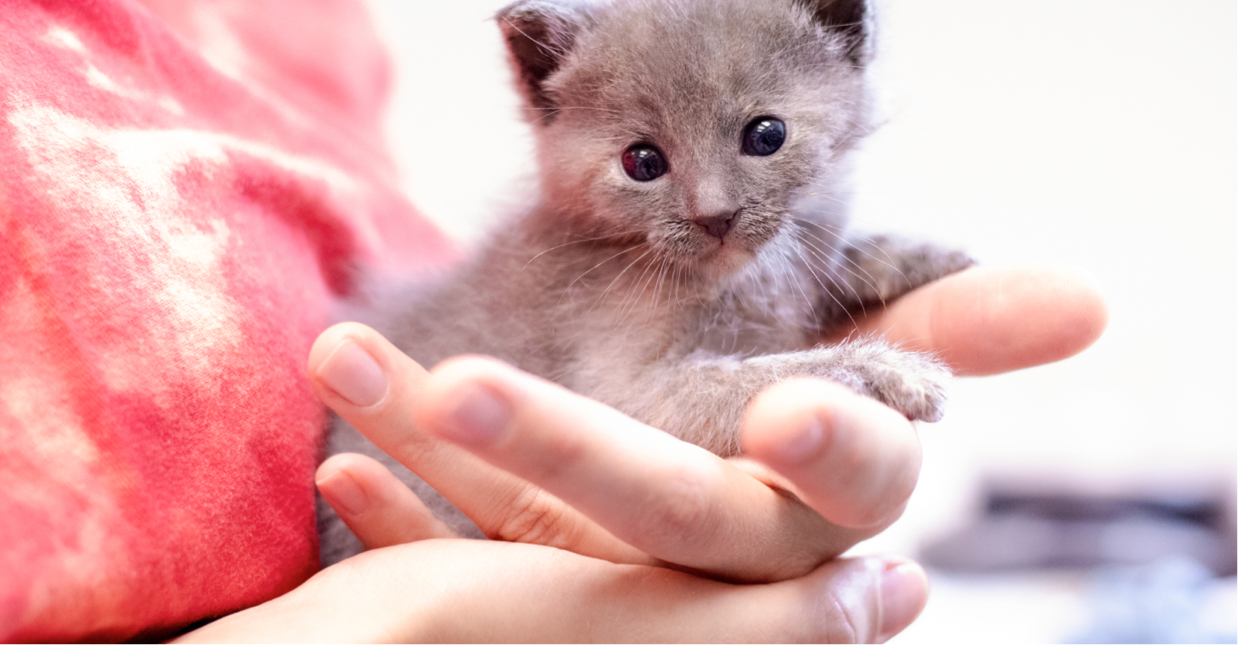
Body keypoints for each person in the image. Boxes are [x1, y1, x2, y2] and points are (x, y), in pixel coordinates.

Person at [178, 265, 1107, 643]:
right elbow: (654, 389)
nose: (708, 201)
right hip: (413, 529)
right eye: (646, 163)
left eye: (766, 135)